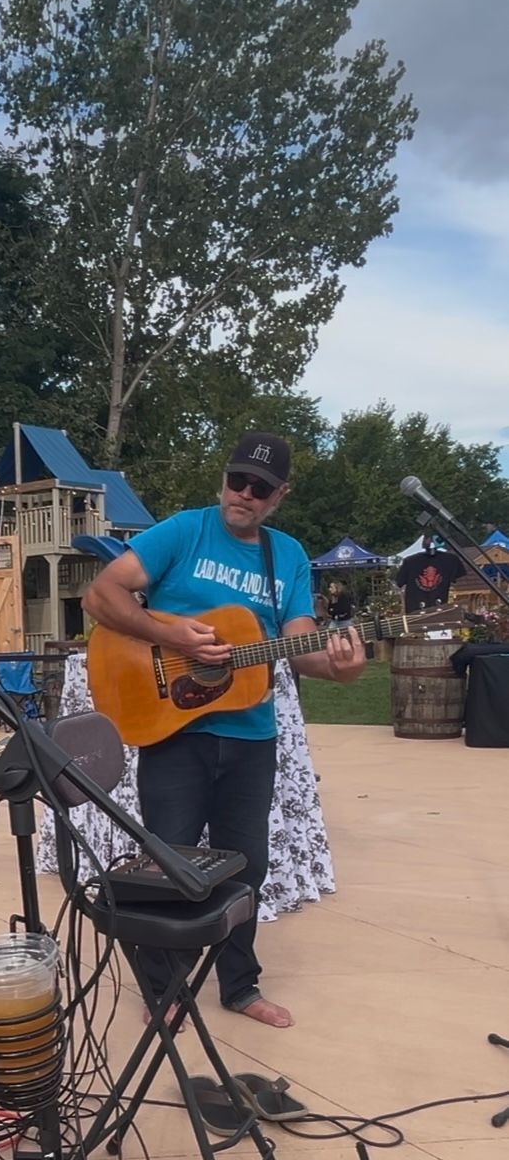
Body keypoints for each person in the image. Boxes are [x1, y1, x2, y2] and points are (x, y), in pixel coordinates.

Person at [83, 431, 365, 1028]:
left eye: (261, 488)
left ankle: (239, 985)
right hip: (175, 732)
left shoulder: (286, 555)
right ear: (224, 479)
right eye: (239, 481)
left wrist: (340, 669)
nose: (245, 494)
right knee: (167, 866)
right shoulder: (184, 531)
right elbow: (101, 594)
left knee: (246, 868)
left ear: (279, 496)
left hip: (251, 737)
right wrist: (170, 635)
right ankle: (163, 990)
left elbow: (300, 644)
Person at [396, 532, 465, 611]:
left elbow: (399, 582)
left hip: (418, 609)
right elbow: (460, 582)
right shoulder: (451, 560)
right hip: (436, 609)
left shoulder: (409, 561)